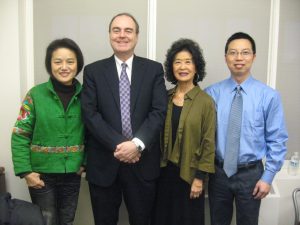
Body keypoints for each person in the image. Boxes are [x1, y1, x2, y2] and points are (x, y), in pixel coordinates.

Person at [81, 13, 167, 225]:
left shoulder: (154, 70)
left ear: (137, 36)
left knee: (142, 220)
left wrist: (136, 145)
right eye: (116, 30)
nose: (122, 35)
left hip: (143, 163)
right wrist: (122, 146)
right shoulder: (93, 71)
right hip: (104, 163)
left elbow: (158, 111)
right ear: (110, 35)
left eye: (128, 30)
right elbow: (90, 115)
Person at [205, 32, 288, 225]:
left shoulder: (269, 96)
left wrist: (268, 177)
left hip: (251, 174)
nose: (239, 58)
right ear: (226, 57)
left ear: (254, 56)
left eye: (245, 52)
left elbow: (277, 139)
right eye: (233, 53)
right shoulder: (212, 94)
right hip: (218, 172)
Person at [11, 38, 85, 225]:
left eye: (70, 61)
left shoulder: (87, 95)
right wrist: (26, 171)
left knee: (67, 221)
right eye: (57, 61)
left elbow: (93, 133)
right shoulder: (35, 95)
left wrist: (86, 162)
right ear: (49, 64)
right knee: (46, 221)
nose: (64, 67)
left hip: (72, 174)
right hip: (41, 175)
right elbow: (20, 133)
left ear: (78, 64)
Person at [151, 38, 215, 225]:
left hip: (189, 176)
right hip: (163, 174)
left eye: (188, 61)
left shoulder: (205, 102)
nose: (182, 67)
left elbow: (208, 142)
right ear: (172, 67)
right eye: (177, 62)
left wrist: (199, 179)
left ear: (196, 67)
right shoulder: (165, 97)